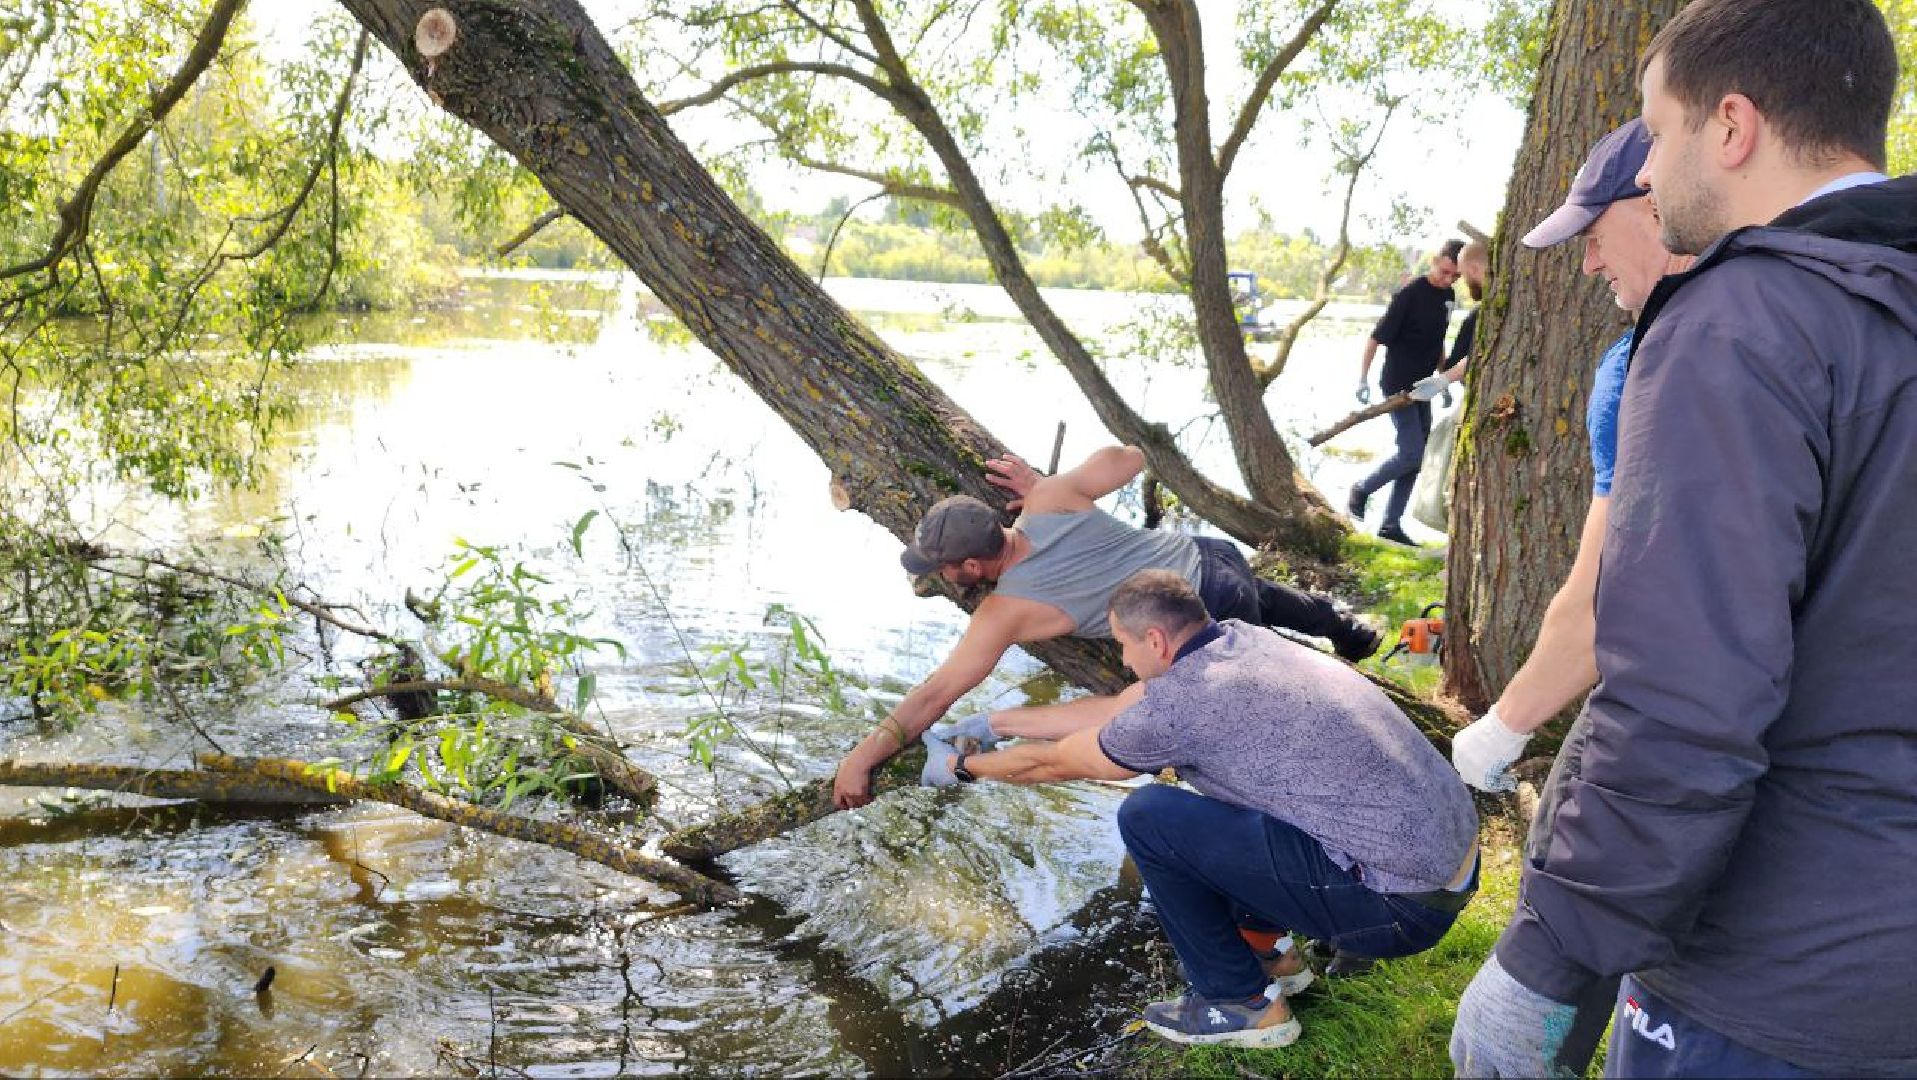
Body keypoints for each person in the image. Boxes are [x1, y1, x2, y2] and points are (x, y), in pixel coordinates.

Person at [1450, 1, 1916, 1076]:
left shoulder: (1740, 320)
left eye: (1658, 133)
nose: (1650, 173)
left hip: (1774, 971)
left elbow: (1684, 692)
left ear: (1733, 126)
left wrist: (1553, 955)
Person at [920, 570, 1479, 1048]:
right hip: (1448, 870)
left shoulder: (1183, 705)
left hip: (1399, 910)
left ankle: (1240, 1003)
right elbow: (1119, 709)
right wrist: (995, 725)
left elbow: (1057, 763)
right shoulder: (1241, 640)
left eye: (1123, 645)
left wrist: (963, 769)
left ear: (1155, 640)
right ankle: (1271, 955)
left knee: (1150, 818)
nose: (1123, 658)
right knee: (1238, 797)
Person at [1443, 117, 1692, 1077]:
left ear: (1657, 200)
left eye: (1593, 232)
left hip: (1668, 730)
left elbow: (1601, 596)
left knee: (1501, 1037)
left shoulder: (1641, 367)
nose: (1586, 263)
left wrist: (1499, 730)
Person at [830, 446, 1381, 809]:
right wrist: (1050, 484)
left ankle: (1332, 784)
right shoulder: (1048, 500)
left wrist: (861, 758)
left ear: (971, 566)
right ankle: (1352, 633)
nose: (941, 576)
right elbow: (1131, 456)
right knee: (1270, 602)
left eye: (944, 568)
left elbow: (936, 694)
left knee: (1247, 718)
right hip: (1210, 556)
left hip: (1204, 609)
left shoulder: (1005, 610)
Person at [1349, 241, 1462, 544]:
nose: (1449, 280)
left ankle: (1390, 524)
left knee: (1418, 456)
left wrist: (1443, 378)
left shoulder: (1448, 296)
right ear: (1435, 260)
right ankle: (1361, 489)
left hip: (1424, 386)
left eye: (1456, 276)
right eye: (1445, 272)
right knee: (1411, 452)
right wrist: (1362, 379)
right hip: (1398, 383)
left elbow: (1438, 339)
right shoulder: (1410, 294)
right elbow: (1376, 337)